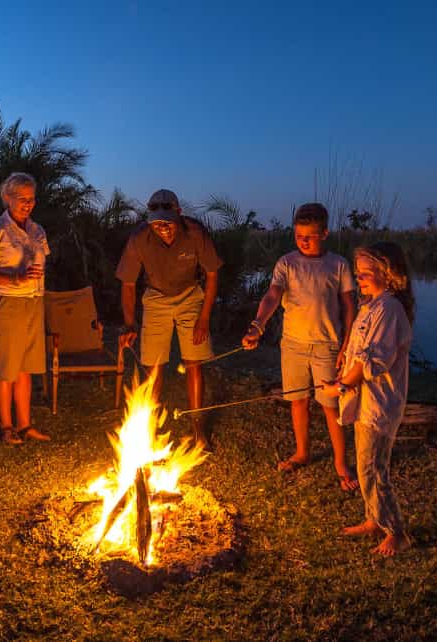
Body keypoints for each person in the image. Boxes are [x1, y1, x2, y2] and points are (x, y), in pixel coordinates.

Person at [242, 203, 357, 489]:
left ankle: (341, 464)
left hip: (327, 346)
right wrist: (258, 325)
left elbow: (348, 307)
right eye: (298, 235)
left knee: (331, 406)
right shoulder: (287, 263)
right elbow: (272, 295)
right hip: (292, 344)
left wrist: (346, 345)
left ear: (325, 233)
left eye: (310, 235)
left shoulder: (338, 265)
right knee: (297, 401)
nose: (303, 241)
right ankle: (302, 452)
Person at [323, 241, 415, 556]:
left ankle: (396, 532)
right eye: (358, 273)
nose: (358, 278)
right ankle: (373, 518)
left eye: (365, 273)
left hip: (380, 403)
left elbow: (373, 361)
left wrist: (341, 386)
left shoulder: (389, 309)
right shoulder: (371, 305)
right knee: (366, 465)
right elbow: (357, 355)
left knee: (373, 468)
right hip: (365, 402)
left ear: (389, 276)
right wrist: (341, 379)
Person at [116, 188, 223, 446]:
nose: (163, 227)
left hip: (190, 295)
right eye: (157, 222)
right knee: (153, 366)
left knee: (194, 362)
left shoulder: (196, 233)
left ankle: (198, 428)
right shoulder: (139, 239)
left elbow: (211, 275)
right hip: (156, 297)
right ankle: (149, 429)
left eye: (168, 221)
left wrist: (204, 318)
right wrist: (129, 324)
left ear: (179, 213)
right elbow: (128, 284)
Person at [0, 172, 51, 444]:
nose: (28, 204)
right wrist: (15, 278)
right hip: (6, 303)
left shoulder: (37, 230)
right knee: (6, 369)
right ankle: (6, 426)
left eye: (31, 199)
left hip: (33, 303)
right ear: (7, 198)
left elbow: (42, 265)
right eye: (22, 199)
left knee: (25, 368)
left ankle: (24, 424)